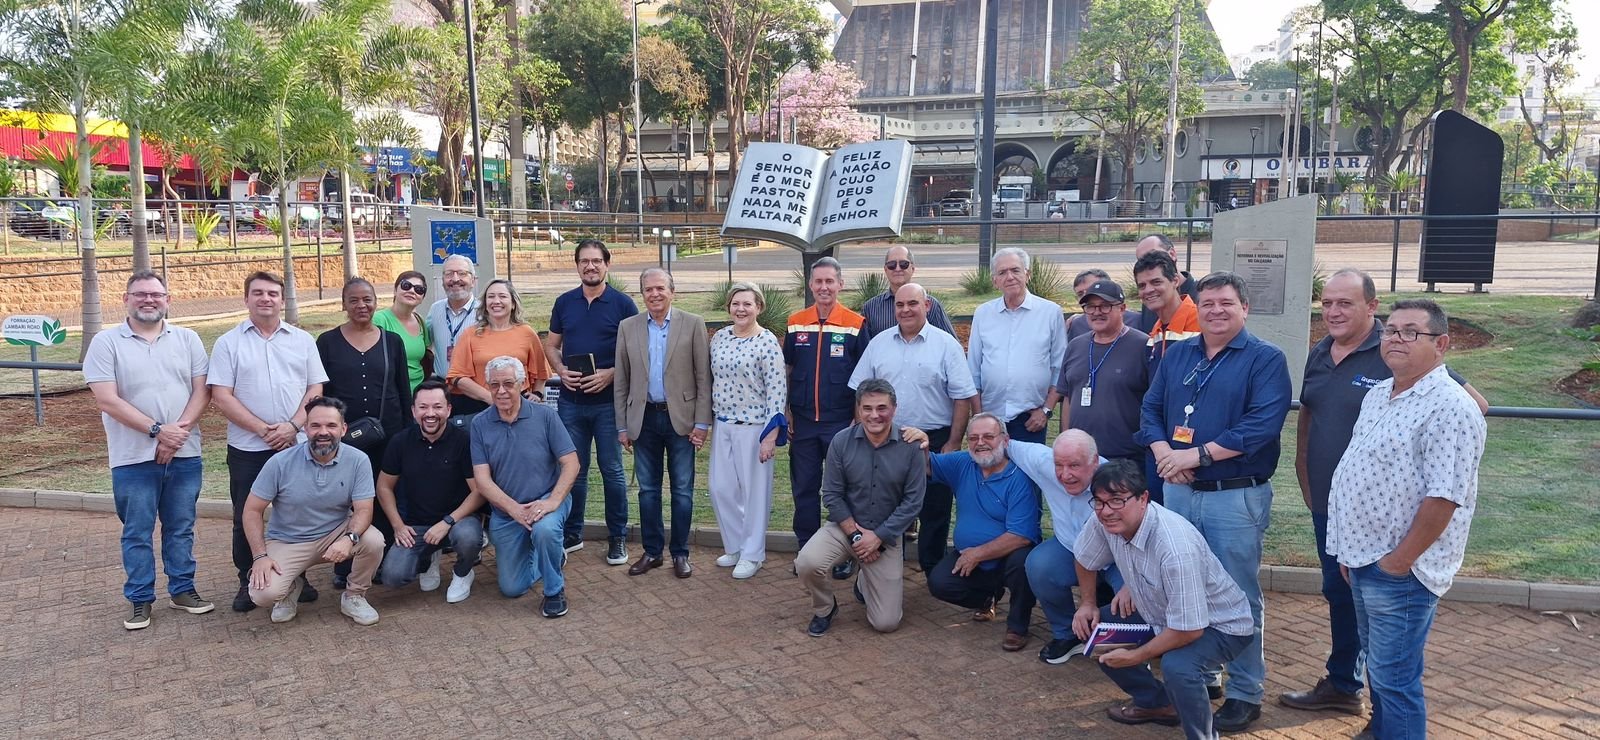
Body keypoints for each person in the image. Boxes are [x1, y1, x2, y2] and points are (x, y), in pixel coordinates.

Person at [1279, 269, 1488, 718]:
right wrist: (1309, 479)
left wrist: (1399, 560)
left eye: (1345, 304)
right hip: (1346, 528)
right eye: (1327, 303)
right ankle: (1349, 690)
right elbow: (1313, 416)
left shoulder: (1423, 378)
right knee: (1350, 613)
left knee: (1393, 663)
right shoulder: (1340, 365)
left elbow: (1470, 423)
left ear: (1370, 308)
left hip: (1395, 548)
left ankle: (1387, 716)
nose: (1333, 311)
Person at [1136, 271, 1292, 733]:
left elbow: (1259, 426)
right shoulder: (1179, 353)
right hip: (1179, 493)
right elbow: (1150, 409)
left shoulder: (1265, 359)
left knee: (1239, 595)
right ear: (1196, 307)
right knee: (1186, 589)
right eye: (1208, 304)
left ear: (1245, 308)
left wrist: (1195, 456)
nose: (1216, 311)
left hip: (1234, 496)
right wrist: (1166, 456)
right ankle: (1203, 676)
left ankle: (1246, 691)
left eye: (1226, 303)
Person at [1327, 299, 1487, 740]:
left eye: (1411, 331)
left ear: (1442, 344)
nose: (1396, 338)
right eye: (1391, 330)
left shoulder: (1451, 407)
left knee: (1396, 681)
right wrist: (1349, 549)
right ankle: (1381, 731)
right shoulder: (1380, 393)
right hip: (1363, 559)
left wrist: (1398, 563)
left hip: (1401, 571)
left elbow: (1443, 498)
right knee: (1381, 670)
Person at [1071, 460, 1254, 739]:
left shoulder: (1175, 548)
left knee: (1178, 667)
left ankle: (1202, 736)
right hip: (1160, 610)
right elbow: (1084, 558)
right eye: (1099, 502)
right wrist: (1087, 603)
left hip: (1221, 625)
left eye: (1117, 501)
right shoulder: (1104, 519)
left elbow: (1189, 629)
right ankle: (1157, 704)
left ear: (1143, 498)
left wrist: (1136, 656)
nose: (1107, 511)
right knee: (1097, 631)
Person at [84, 271, 214, 630]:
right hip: (132, 458)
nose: (148, 300)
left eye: (156, 294)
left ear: (167, 300)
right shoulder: (106, 342)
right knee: (137, 531)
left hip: (185, 454)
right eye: (140, 294)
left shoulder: (187, 339)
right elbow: (107, 400)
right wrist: (158, 432)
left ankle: (183, 589)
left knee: (181, 527)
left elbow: (202, 391)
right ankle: (140, 599)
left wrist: (177, 435)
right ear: (126, 299)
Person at [210, 270, 328, 613]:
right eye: (258, 293)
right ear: (246, 299)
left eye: (272, 293)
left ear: (282, 299)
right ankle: (248, 580)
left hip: (297, 444)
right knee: (246, 514)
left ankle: (297, 578)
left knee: (299, 513)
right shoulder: (228, 343)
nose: (266, 299)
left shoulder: (302, 340)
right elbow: (221, 395)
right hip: (249, 448)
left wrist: (292, 426)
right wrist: (264, 430)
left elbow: (315, 388)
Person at [849, 282, 977, 575]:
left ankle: (931, 569)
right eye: (900, 305)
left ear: (927, 306)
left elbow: (961, 397)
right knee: (884, 505)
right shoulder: (879, 343)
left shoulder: (946, 345)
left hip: (934, 439)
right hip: (885, 439)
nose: (905, 310)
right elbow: (860, 393)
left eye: (912, 304)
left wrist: (953, 443)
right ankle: (881, 568)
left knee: (934, 507)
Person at [795, 379, 925, 636]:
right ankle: (824, 609)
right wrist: (857, 536)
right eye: (867, 408)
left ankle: (865, 581)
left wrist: (877, 538)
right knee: (807, 563)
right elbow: (831, 495)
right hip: (844, 528)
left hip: (887, 535)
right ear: (858, 409)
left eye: (881, 408)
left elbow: (913, 503)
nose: (874, 415)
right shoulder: (841, 442)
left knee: (885, 624)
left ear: (894, 409)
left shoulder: (911, 446)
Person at [243, 397, 385, 626]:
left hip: (336, 533)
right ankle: (289, 588)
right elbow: (251, 510)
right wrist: (260, 557)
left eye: (331, 425)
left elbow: (364, 509)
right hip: (288, 540)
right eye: (316, 425)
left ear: (343, 429)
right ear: (305, 428)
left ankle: (354, 596)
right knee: (263, 595)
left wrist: (349, 539)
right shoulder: (279, 462)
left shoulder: (358, 460)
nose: (323, 432)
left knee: (374, 541)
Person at [542, 239, 638, 563]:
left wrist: (610, 373)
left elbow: (635, 353)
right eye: (584, 261)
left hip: (609, 404)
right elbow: (552, 346)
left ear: (607, 264)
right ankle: (573, 533)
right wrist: (560, 369)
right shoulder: (564, 302)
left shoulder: (623, 305)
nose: (591, 266)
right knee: (574, 470)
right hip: (571, 402)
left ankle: (618, 537)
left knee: (612, 470)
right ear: (577, 265)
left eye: (596, 261)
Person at [614, 268, 711, 579]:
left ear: (672, 290)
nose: (654, 294)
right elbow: (622, 380)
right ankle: (653, 552)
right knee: (648, 491)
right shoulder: (628, 327)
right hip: (643, 419)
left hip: (681, 419)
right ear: (641, 293)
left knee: (682, 490)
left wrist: (702, 422)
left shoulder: (693, 324)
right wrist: (622, 425)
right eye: (648, 289)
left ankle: (680, 553)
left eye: (660, 288)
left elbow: (702, 379)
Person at [317, 277, 413, 588]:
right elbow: (323, 394)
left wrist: (408, 434)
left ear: (376, 301)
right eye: (354, 300)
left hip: (389, 434)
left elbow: (402, 389)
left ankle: (381, 559)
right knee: (346, 499)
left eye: (368, 299)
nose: (362, 306)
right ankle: (343, 564)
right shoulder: (327, 342)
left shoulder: (392, 341)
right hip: (344, 439)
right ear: (344, 304)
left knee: (386, 495)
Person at [919, 413, 1042, 652]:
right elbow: (926, 465)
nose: (980, 443)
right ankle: (988, 598)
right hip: (970, 553)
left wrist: (977, 554)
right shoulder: (963, 462)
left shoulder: (1020, 476)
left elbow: (1021, 535)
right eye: (973, 437)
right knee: (939, 582)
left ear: (1005, 440)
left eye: (988, 436)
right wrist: (921, 442)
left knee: (1023, 564)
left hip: (1009, 552)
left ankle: (1018, 626)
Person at [471, 356, 581, 618]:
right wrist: (515, 510)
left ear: (522, 383)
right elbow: (482, 480)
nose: (501, 391)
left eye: (508, 383)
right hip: (507, 512)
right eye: (494, 384)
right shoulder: (480, 424)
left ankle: (554, 592)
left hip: (546, 500)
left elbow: (572, 463)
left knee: (544, 531)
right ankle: (550, 558)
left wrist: (553, 502)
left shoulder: (545, 416)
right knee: (512, 587)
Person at [1009, 429, 1123, 663]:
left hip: (1118, 558)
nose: (1065, 474)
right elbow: (1006, 443)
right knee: (1039, 565)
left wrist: (1133, 584)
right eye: (1059, 465)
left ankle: (1125, 643)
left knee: (1134, 598)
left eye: (1074, 466)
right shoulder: (1043, 463)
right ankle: (1068, 634)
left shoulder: (1116, 485)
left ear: (1095, 461)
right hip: (1070, 550)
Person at [783, 256, 866, 574]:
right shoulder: (796, 321)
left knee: (842, 491)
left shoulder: (855, 324)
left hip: (839, 423)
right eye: (818, 281)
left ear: (840, 284)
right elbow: (788, 369)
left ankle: (844, 554)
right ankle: (806, 552)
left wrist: (857, 416)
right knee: (803, 488)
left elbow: (864, 375)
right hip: (803, 423)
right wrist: (787, 409)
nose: (824, 287)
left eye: (830, 281)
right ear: (810, 284)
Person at [376, 379, 484, 602]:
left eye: (437, 407)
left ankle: (463, 572)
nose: (430, 413)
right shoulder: (400, 442)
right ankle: (428, 558)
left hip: (457, 520)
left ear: (449, 409)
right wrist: (397, 526)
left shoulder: (463, 440)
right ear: (414, 411)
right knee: (393, 577)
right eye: (423, 407)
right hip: (416, 524)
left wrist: (447, 522)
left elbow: (478, 492)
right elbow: (384, 487)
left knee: (469, 538)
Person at [707, 283, 787, 580]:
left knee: (755, 493)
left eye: (747, 304)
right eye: (736, 303)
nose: (741, 309)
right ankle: (737, 545)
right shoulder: (719, 338)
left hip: (754, 427)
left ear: (759, 307)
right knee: (720, 488)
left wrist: (770, 435)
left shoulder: (766, 342)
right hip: (723, 423)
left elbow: (777, 391)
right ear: (729, 307)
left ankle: (753, 553)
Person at [966, 247, 1066, 444]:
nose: (1010, 277)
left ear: (1027, 274)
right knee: (989, 472)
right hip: (991, 418)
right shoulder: (983, 314)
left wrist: (1046, 411)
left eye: (1015, 270)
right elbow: (974, 369)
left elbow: (1060, 367)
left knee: (1027, 473)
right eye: (1002, 273)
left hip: (1031, 419)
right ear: (995, 281)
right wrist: (979, 417)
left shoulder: (1050, 313)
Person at [1045, 280, 1150, 466]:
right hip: (1081, 457)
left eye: (1105, 306)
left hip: (1126, 458)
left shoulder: (1143, 346)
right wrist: (1067, 440)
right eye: (1090, 307)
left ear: (1123, 308)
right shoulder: (1075, 345)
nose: (1096, 312)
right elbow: (1069, 396)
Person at [1134, 251, 1200, 505]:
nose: (1148, 290)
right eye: (1142, 285)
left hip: (1189, 455)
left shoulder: (1199, 324)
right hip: (1161, 448)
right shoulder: (1157, 330)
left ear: (1175, 281)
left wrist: (1181, 457)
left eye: (1156, 282)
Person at [447, 279, 549, 414]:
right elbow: (456, 376)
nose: (496, 301)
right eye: (491, 297)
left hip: (518, 406)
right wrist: (491, 398)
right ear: (485, 304)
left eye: (502, 296)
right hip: (480, 406)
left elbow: (541, 371)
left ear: (513, 303)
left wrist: (537, 394)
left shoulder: (527, 333)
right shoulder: (470, 334)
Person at [860, 245, 955, 341]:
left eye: (903, 264)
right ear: (885, 269)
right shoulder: (871, 308)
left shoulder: (931, 305)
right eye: (892, 265)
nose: (897, 269)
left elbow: (949, 343)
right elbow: (865, 349)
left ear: (912, 268)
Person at [372, 270, 431, 393]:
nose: (411, 291)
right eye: (406, 286)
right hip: (391, 394)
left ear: (422, 298)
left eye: (419, 289)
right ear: (395, 290)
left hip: (418, 395)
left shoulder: (420, 321)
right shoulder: (379, 320)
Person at [1132, 234, 1198, 334]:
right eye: (1141, 260)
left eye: (1156, 282)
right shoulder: (1151, 306)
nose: (1148, 263)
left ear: (1172, 254)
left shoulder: (1203, 301)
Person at [427, 253, 477, 381]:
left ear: (473, 281)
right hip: (442, 388)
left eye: (462, 273)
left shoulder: (485, 312)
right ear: (442, 281)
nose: (455, 279)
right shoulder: (435, 309)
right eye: (449, 274)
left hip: (474, 389)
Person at [1066, 269, 1141, 341]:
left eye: (1094, 290)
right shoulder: (1077, 324)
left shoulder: (1136, 320)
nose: (1087, 295)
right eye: (1080, 294)